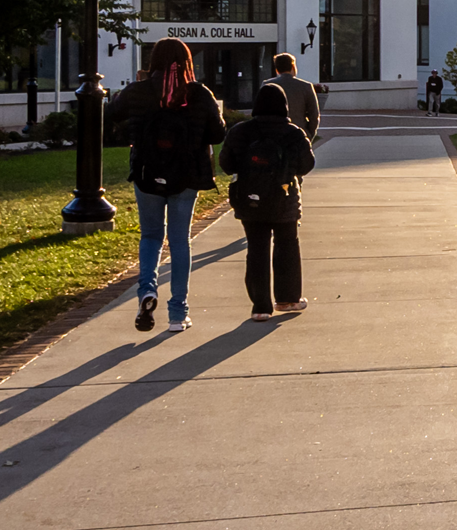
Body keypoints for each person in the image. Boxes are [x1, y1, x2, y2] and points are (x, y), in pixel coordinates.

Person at [110, 38, 227, 333]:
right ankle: (178, 313)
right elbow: (217, 134)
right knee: (179, 240)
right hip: (186, 174)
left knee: (150, 235)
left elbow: (110, 115)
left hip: (147, 172)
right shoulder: (198, 93)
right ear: (187, 61)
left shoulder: (137, 91)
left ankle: (147, 290)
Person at [222, 84, 320, 321]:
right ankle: (288, 298)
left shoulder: (240, 132)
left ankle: (260, 306)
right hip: (284, 197)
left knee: (256, 248)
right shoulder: (294, 133)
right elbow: (306, 165)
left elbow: (226, 163)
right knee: (287, 245)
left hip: (249, 198)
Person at [268, 52, 322, 141]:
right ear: (293, 66)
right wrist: (309, 135)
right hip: (299, 135)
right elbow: (314, 115)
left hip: (273, 136)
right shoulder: (306, 86)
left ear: (277, 69)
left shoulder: (267, 85)